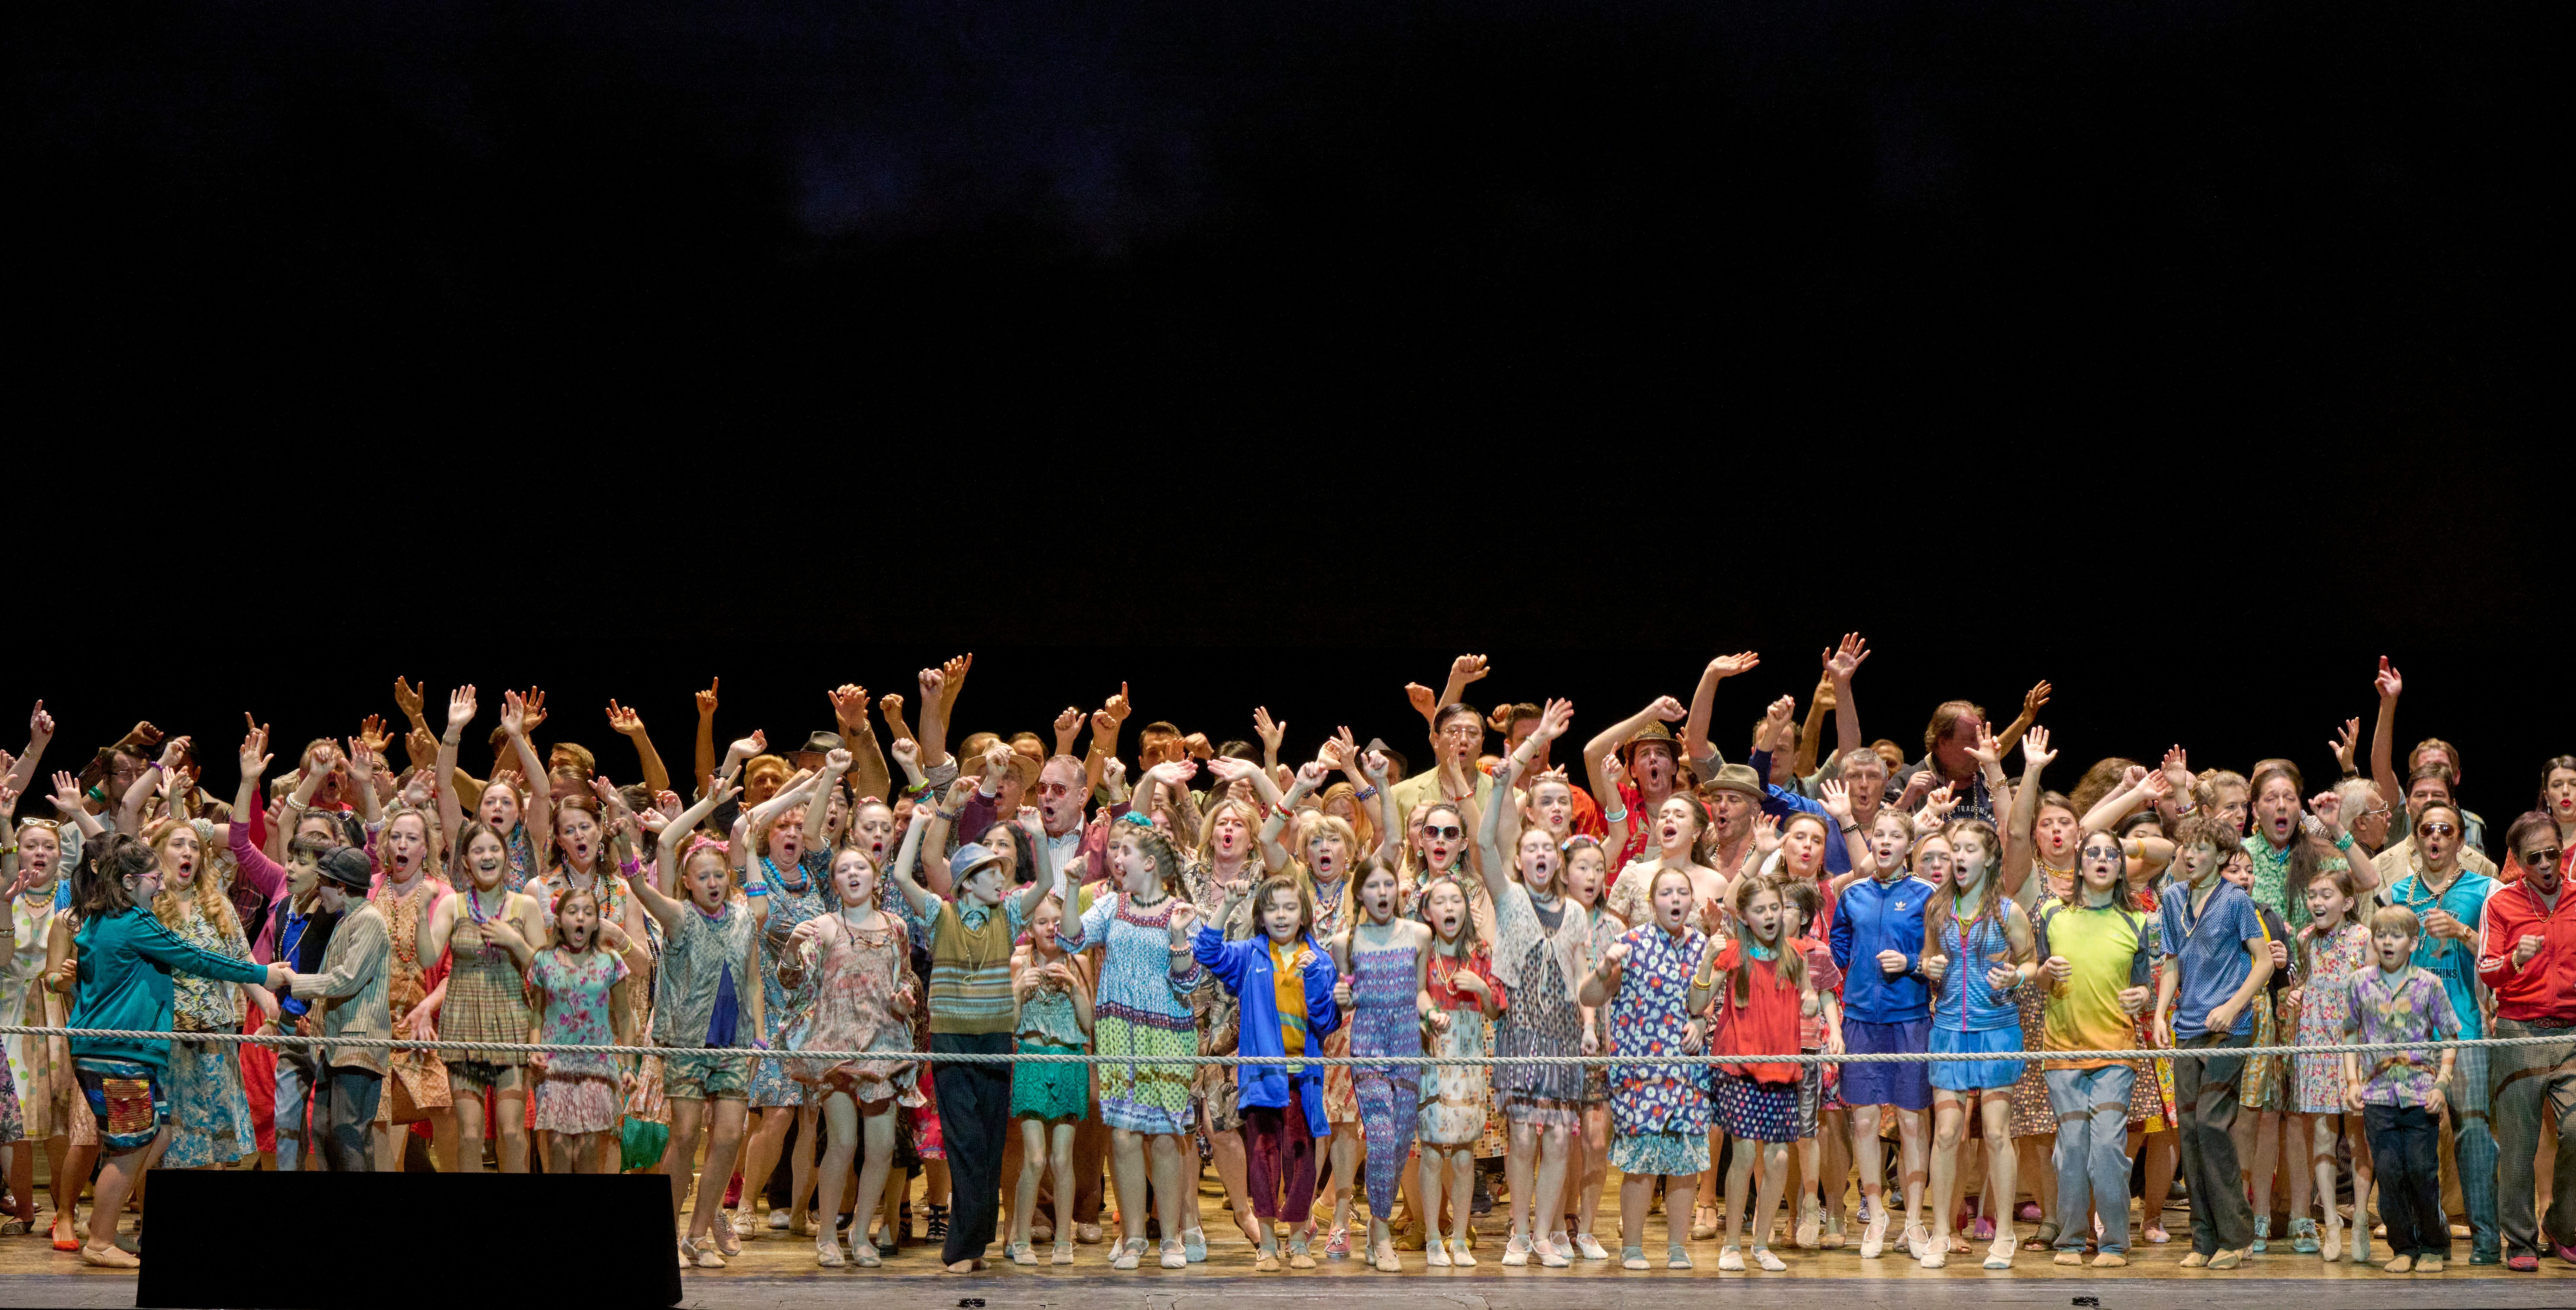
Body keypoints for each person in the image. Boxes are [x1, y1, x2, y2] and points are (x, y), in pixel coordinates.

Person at [59, 831, 290, 1266]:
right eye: (152, 878)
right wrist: (262, 974)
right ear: (128, 883)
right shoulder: (133, 923)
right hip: (119, 1055)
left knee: (159, 1134)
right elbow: (196, 958)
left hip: (121, 1053)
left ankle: (102, 1222)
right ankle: (101, 1241)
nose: (161, 884)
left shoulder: (103, 918)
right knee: (131, 1147)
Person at [1054, 812, 1202, 1271]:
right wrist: (1070, 889)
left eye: (1126, 853)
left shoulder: (1180, 912)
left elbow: (1189, 982)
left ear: (1152, 865)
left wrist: (1178, 936)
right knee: (1121, 1135)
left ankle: (1172, 1237)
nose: (1116, 858)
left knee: (1163, 1134)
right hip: (1119, 1030)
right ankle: (1133, 1236)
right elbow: (1071, 938)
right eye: (1115, 851)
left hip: (1169, 1034)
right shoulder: (1111, 906)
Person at [631, 780, 765, 1270]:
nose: (712, 882)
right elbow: (661, 852)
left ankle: (697, 1235)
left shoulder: (744, 918)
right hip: (687, 1041)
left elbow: (753, 979)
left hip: (732, 1043)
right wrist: (709, 803)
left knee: (729, 1135)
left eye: (718, 875)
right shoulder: (678, 918)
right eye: (702, 876)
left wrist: (760, 1034)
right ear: (688, 883)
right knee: (685, 1134)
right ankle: (665, 1233)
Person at [1479, 703, 1593, 1268]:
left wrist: (1593, 1021)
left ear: (1562, 857)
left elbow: (1580, 979)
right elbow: (1484, 842)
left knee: (1556, 1139)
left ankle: (1546, 1234)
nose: (1542, 855)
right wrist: (1528, 752)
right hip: (1521, 1029)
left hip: (1564, 1034)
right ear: (1520, 860)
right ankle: (1518, 1233)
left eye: (1550, 848)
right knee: (1522, 1137)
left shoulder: (1575, 912)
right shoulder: (1509, 897)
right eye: (1532, 849)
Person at [781, 842, 923, 1268]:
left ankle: (862, 1235)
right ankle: (826, 1235)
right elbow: (792, 981)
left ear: (876, 877)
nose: (854, 874)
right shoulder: (824, 927)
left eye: (861, 867)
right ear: (835, 882)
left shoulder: (896, 926)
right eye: (844, 870)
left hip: (883, 1045)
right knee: (842, 1142)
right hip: (837, 1045)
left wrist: (905, 1000)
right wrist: (791, 947)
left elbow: (906, 979)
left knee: (880, 1149)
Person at [1192, 873, 1340, 1271]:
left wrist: (1313, 980)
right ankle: (1268, 1244)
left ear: (1304, 914)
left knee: (1301, 1159)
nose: (1281, 915)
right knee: (1263, 1159)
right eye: (1273, 907)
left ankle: (1299, 1241)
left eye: (1290, 907)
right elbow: (1207, 951)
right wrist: (1226, 904)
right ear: (1261, 915)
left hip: (1302, 1081)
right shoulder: (1250, 955)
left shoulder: (1320, 959)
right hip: (1262, 1079)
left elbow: (1327, 1021)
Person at [2152, 818, 2274, 1269]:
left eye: (2201, 849)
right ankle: (2203, 1239)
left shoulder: (2236, 901)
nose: (2189, 855)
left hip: (2230, 1028)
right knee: (2189, 1131)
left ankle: (2236, 1235)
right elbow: (2171, 961)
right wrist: (2161, 1013)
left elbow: (2262, 963)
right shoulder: (2171, 899)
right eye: (2187, 847)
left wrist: (2233, 1006)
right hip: (2187, 1027)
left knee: (2210, 1124)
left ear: (2221, 858)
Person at [1919, 816, 2038, 1270]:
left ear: (1988, 859)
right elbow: (1930, 958)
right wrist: (1927, 967)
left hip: (1997, 1030)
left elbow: (2030, 962)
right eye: (1955, 850)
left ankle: (2004, 1233)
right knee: (1946, 1134)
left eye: (1969, 850)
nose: (1959, 857)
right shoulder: (1936, 909)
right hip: (1948, 1031)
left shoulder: (2008, 912)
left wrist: (2017, 974)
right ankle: (1941, 1232)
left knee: (1993, 1133)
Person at [2035, 828, 2157, 1267]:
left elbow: (2146, 987)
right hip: (2062, 1052)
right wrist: (2044, 970)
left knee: (2106, 1147)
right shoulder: (2051, 914)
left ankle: (2113, 1243)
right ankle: (2070, 1240)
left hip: (2115, 1054)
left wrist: (2143, 997)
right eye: (2093, 852)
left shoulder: (2137, 922)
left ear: (2121, 866)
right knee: (2070, 1150)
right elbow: (2037, 975)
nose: (2102, 859)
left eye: (2112, 853)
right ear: (2079, 862)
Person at [1584, 865, 1712, 1271]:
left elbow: (1708, 1003)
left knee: (1685, 1158)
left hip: (1687, 1070)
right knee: (1642, 1160)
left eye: (1682, 893)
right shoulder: (1631, 942)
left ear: (1691, 901)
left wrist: (1702, 1021)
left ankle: (1678, 1246)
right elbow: (1588, 994)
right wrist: (1605, 966)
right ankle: (1633, 1246)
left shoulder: (1704, 945)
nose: (1675, 900)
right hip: (1641, 1070)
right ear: (1652, 901)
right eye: (1666, 893)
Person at [1831, 806, 1936, 1259]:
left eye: (1896, 835)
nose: (1886, 841)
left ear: (1910, 846)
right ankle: (1875, 1215)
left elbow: (1940, 959)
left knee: (1912, 1123)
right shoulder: (1852, 894)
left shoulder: (1926, 895)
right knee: (1865, 1121)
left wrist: (1910, 965)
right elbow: (1837, 947)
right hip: (1860, 1022)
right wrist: (1854, 978)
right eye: (1879, 834)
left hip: (1911, 1020)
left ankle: (1913, 1219)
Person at [2476, 809, 2576, 1271]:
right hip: (2518, 1032)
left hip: (2572, 1033)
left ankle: (2562, 1223)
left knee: (2575, 1132)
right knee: (2518, 1144)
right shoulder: (2501, 905)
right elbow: (2486, 970)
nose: (2545, 864)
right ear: (2516, 860)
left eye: (2552, 853)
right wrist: (2515, 959)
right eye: (2533, 856)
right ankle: (2519, 1240)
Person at [417, 818, 545, 1173]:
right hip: (463, 1024)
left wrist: (516, 942)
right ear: (466, 861)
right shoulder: (453, 905)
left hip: (512, 1025)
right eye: (478, 850)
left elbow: (549, 970)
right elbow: (428, 957)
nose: (487, 856)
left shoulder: (525, 906)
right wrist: (420, 911)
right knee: (470, 1135)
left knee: (512, 1132)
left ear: (505, 856)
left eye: (494, 848)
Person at [2339, 905, 2460, 1273]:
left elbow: (2451, 1036)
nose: (2388, 942)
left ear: (2414, 941)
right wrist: (2353, 1081)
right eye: (2381, 935)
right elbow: (2349, 1032)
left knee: (2422, 1171)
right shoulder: (2360, 981)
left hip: (2420, 1094)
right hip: (2378, 1095)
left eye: (2397, 935)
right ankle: (2403, 1246)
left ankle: (2434, 1245)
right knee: (2389, 1173)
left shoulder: (2429, 983)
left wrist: (2442, 1082)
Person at [1704, 876, 1813, 1273]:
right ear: (1744, 917)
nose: (1770, 916)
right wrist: (1706, 960)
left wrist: (1813, 998)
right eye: (1760, 909)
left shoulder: (1796, 953)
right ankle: (1732, 1242)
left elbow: (1809, 995)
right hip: (1741, 1066)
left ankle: (1761, 1242)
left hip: (1783, 1069)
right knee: (1746, 1153)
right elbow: (1698, 1002)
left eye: (1776, 908)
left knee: (1782, 1156)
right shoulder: (1733, 955)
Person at [1335, 853, 1432, 1271]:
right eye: (1372, 886)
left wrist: (1433, 1016)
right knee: (1378, 1134)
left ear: (1398, 889)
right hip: (1369, 1043)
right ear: (1359, 893)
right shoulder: (1346, 942)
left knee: (1399, 1141)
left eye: (1387, 885)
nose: (1381, 893)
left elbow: (1422, 991)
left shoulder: (1419, 934)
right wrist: (1342, 998)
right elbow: (1346, 997)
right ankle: (1379, 1228)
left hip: (1408, 1042)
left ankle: (1379, 1219)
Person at [524, 882, 652, 1172]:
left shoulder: (611, 962)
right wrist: (535, 1051)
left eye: (588, 912)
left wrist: (629, 1067)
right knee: (557, 1150)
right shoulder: (543, 961)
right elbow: (538, 1015)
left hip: (598, 1068)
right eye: (573, 911)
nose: (580, 918)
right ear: (559, 920)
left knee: (589, 1152)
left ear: (596, 922)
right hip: (555, 1069)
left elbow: (625, 1017)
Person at [1414, 873, 1502, 1268]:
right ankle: (1433, 1235)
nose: (1450, 907)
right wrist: (1430, 1011)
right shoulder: (1423, 948)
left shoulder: (1478, 950)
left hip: (1468, 1052)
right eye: (1441, 901)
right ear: (1427, 911)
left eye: (1457, 900)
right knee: (1432, 1153)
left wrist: (1481, 988)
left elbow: (1496, 1006)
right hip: (1432, 1051)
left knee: (1466, 1156)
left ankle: (1461, 1236)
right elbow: (1416, 990)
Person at [2290, 862, 2375, 1263]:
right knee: (2323, 1137)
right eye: (2313, 895)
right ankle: (2331, 1223)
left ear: (2348, 900)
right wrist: (2297, 993)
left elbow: (2376, 989)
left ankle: (2359, 1218)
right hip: (2315, 1042)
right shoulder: (2305, 939)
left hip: (2352, 1047)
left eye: (2326, 894)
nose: (2318, 902)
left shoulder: (2363, 937)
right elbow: (2307, 981)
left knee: (2357, 1138)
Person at [1003, 893, 1088, 1266]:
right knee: (1034, 1158)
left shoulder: (1079, 960)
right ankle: (1020, 1238)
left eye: (1057, 920)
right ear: (1030, 928)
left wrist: (1074, 983)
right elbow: (1010, 1022)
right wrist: (1019, 988)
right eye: (1042, 921)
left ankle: (1064, 1241)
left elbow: (1088, 1024)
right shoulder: (1019, 961)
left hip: (1069, 1060)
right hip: (1033, 1060)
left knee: (1061, 1158)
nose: (1051, 927)